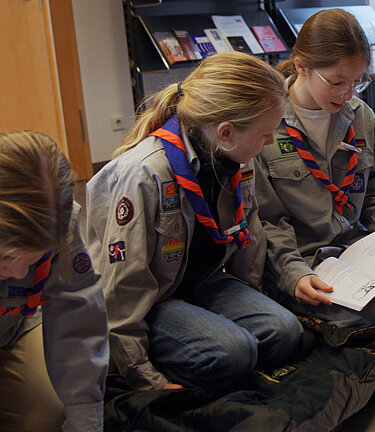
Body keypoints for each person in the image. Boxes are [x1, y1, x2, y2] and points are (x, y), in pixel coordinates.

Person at [86, 52, 304, 392]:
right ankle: (182, 357)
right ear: (226, 132)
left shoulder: (236, 158)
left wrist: (255, 300)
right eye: (265, 135)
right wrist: (142, 376)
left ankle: (213, 351)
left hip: (201, 282)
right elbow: (120, 291)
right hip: (149, 301)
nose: (270, 142)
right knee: (233, 353)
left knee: (285, 332)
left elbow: (248, 236)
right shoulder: (142, 174)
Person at [252, 9, 375, 327]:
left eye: (358, 81)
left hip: (356, 247)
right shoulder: (266, 124)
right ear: (301, 66)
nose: (347, 94)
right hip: (302, 258)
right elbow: (267, 222)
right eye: (337, 82)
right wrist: (294, 274)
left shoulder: (360, 115)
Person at [0, 131, 108, 431]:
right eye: (6, 257)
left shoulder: (59, 224)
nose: (19, 273)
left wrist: (85, 422)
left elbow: (78, 323)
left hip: (13, 326)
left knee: (47, 416)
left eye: (32, 259)